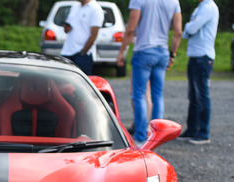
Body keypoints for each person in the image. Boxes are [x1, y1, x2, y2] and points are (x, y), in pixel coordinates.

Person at [116, 0, 182, 145]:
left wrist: (122, 51)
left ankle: (140, 137)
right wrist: (173, 54)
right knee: (157, 95)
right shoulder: (174, 1)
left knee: (139, 94)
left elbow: (131, 28)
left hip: (144, 51)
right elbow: (178, 31)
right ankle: (158, 137)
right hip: (162, 52)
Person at [179, 0, 219, 145]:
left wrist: (189, 26)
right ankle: (192, 130)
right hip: (195, 55)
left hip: (203, 56)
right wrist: (189, 27)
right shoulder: (201, 7)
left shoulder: (208, 7)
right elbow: (187, 31)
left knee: (202, 95)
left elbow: (191, 28)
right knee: (193, 96)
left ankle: (203, 133)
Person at [60, 0, 104, 75]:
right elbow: (68, 28)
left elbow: (94, 35)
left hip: (82, 55)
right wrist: (66, 28)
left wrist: (83, 53)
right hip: (67, 52)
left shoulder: (95, 9)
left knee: (80, 85)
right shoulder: (75, 6)